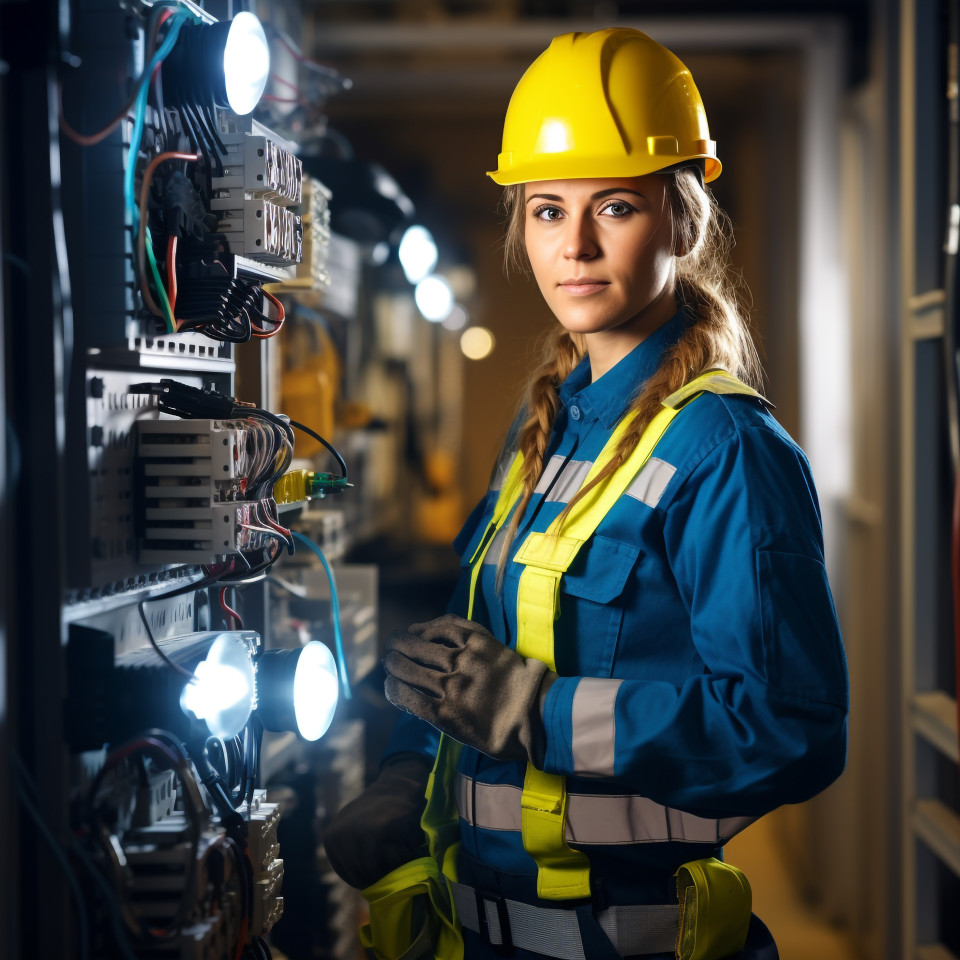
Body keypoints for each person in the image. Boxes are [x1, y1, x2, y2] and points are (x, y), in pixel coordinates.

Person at [324, 27, 848, 960]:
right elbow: (462, 666)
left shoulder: (724, 448)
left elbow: (789, 729)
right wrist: (411, 774)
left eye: (613, 206)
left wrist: (535, 710)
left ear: (681, 222)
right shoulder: (540, 437)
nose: (575, 245)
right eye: (545, 210)